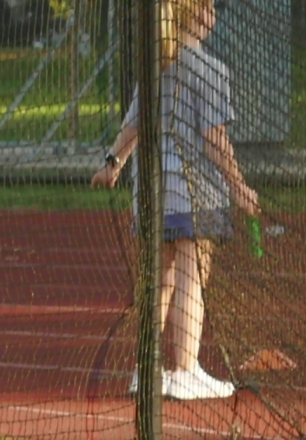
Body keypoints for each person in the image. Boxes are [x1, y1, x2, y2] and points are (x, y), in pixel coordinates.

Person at [92, 0, 259, 400]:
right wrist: (240, 187)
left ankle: (145, 371)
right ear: (202, 13)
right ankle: (185, 369)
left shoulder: (155, 65)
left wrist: (113, 164)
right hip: (194, 190)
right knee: (192, 278)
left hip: (150, 193)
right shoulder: (210, 69)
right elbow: (214, 140)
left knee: (158, 282)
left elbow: (132, 124)